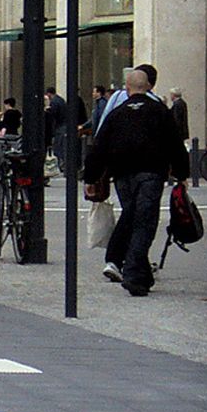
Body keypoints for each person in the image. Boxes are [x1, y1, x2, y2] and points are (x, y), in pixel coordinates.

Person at [84, 67, 190, 296]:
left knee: (132, 214)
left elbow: (99, 146)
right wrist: (182, 174)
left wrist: (91, 176)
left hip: (122, 175)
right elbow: (175, 144)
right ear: (149, 87)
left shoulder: (118, 113)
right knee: (145, 221)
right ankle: (134, 272)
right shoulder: (159, 111)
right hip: (151, 173)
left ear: (127, 88)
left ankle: (134, 269)